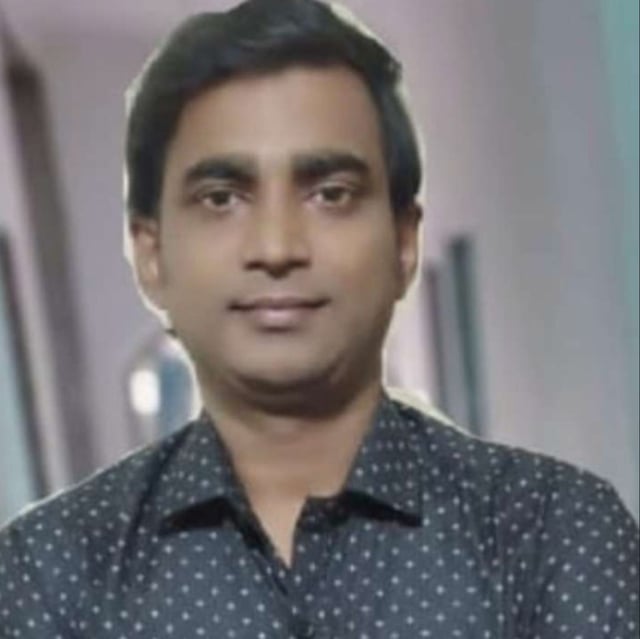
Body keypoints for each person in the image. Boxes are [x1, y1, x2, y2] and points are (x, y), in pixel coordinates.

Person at [1, 0, 638, 637]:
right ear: (151, 255)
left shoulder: (552, 533)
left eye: (330, 194)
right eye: (221, 198)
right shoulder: (51, 571)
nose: (277, 247)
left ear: (404, 243)